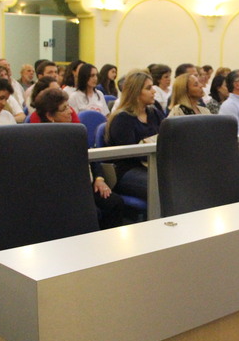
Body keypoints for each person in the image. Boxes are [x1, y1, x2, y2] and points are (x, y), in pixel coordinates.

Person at [36, 87, 125, 229]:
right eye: (64, 109)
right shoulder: (42, 141)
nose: (70, 111)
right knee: (91, 213)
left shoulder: (76, 132)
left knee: (115, 202)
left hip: (86, 185)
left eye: (68, 106)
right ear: (50, 116)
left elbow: (92, 157)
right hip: (65, 191)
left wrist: (99, 179)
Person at [106, 70, 164, 199]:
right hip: (128, 170)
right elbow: (130, 154)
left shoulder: (154, 113)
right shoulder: (122, 119)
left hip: (152, 166)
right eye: (148, 88)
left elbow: (166, 139)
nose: (154, 91)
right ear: (136, 92)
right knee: (163, 187)